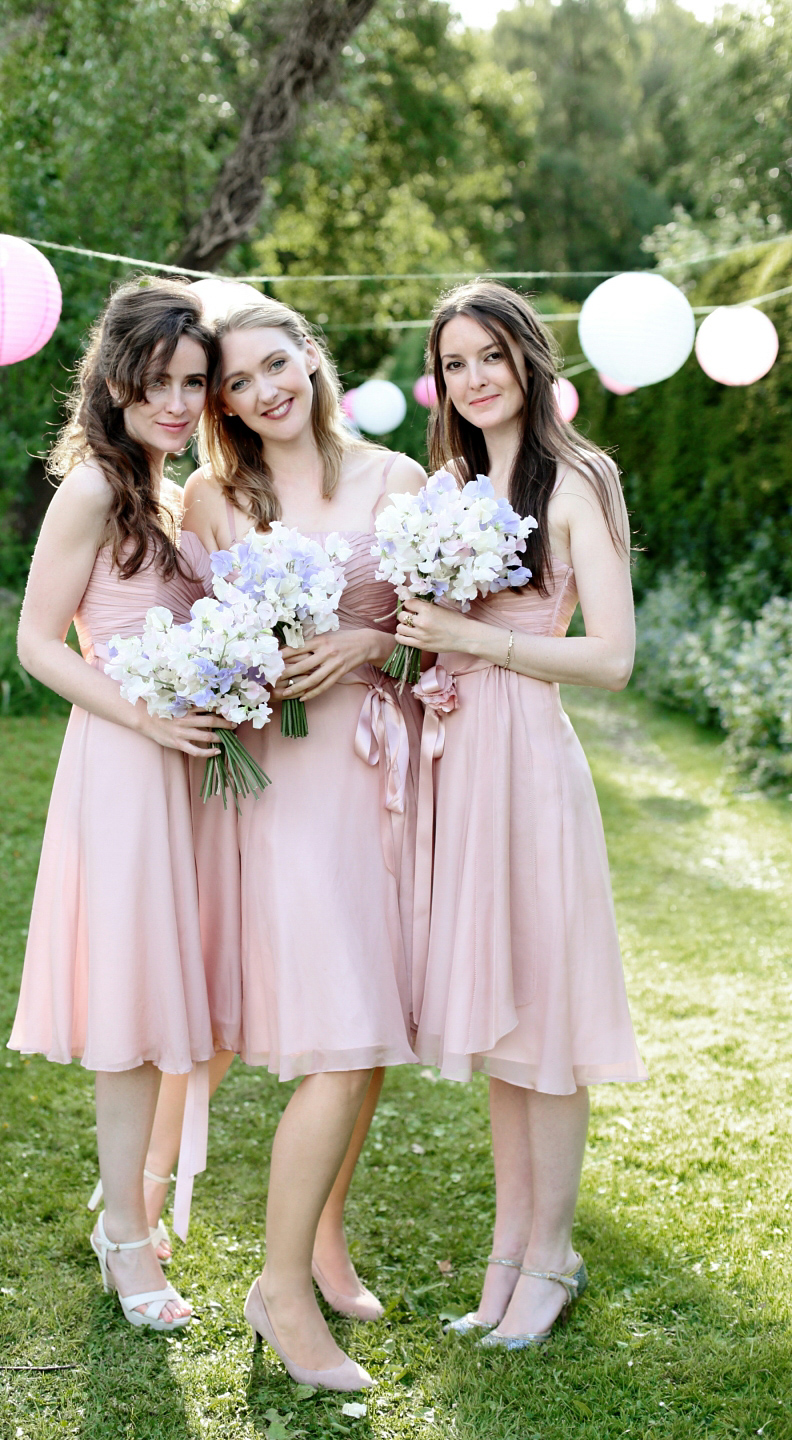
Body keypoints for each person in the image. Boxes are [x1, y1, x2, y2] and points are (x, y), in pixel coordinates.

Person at [398, 280, 646, 1350]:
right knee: (500, 1028)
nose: (475, 377)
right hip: (460, 762)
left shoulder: (578, 479)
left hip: (531, 761)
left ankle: (553, 1254)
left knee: (545, 1022)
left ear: (529, 358)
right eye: (455, 362)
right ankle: (507, 1258)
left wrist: (482, 639)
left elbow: (613, 659)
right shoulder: (451, 483)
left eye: (491, 354)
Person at [183, 298, 426, 1391]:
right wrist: (245, 660)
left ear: (310, 357)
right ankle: (278, 1289)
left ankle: (324, 1246)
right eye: (235, 383)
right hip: (283, 783)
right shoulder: (215, 494)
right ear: (221, 402)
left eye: (275, 365)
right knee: (339, 1035)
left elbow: (437, 644)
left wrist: (373, 641)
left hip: (385, 773)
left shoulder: (399, 480)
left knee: (369, 1032)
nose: (262, 391)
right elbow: (184, 643)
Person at [9, 278, 229, 1330]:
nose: (179, 401)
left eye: (194, 382)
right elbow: (37, 643)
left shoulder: (169, 486)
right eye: (160, 382)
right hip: (125, 761)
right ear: (115, 379)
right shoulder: (96, 487)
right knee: (134, 1012)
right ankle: (127, 1242)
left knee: (181, 1003)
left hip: (187, 762)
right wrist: (146, 719)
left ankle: (133, 1203)